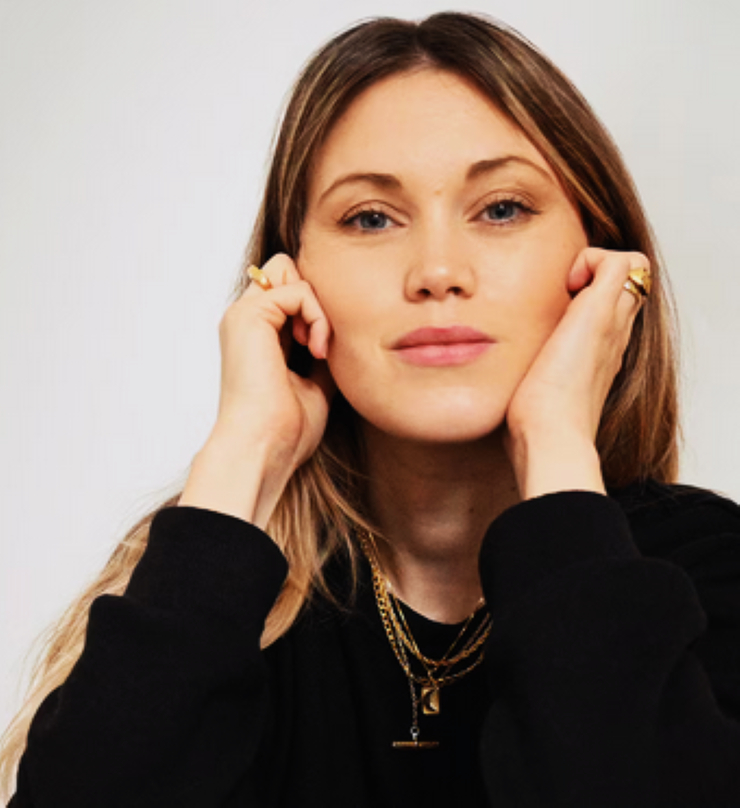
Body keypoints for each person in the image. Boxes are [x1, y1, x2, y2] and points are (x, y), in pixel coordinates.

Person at [2, 10, 739, 807]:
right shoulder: (209, 582)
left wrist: (557, 446)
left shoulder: (705, 567)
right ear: (289, 278)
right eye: (371, 218)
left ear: (597, 265)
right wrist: (243, 455)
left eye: (501, 209)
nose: (437, 271)